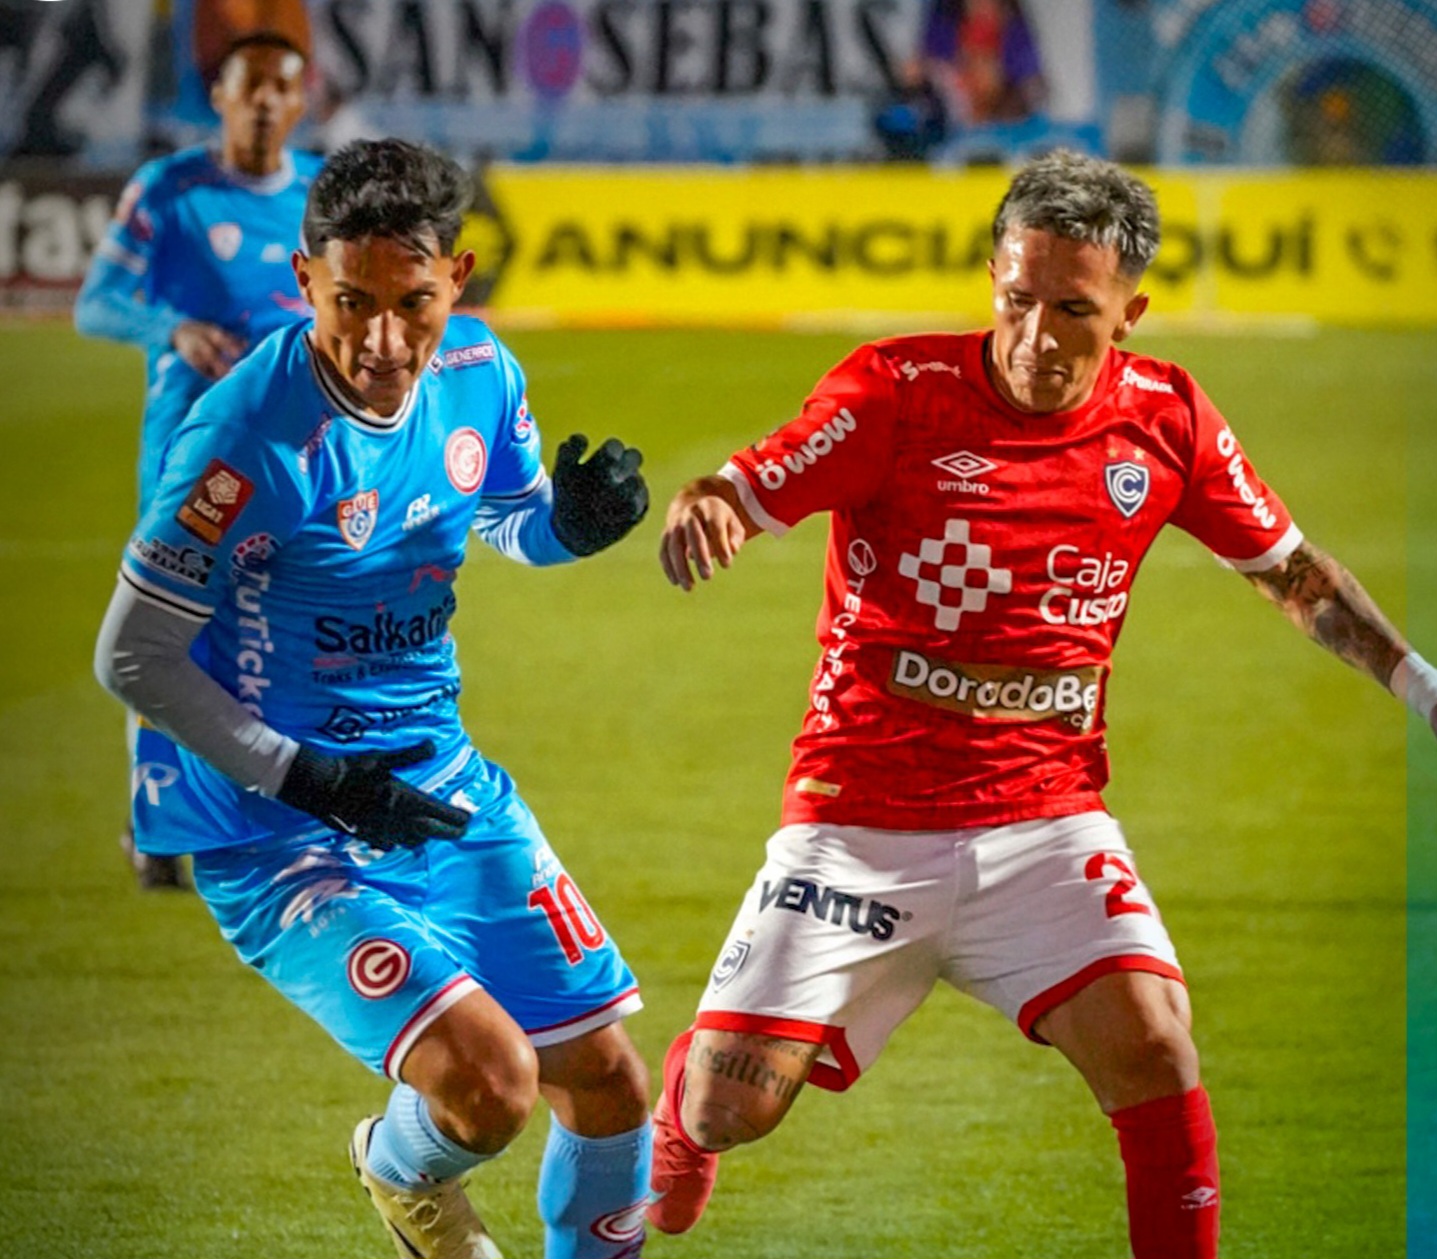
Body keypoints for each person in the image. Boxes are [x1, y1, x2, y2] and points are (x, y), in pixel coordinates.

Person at [649, 149, 1436, 1259]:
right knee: (731, 1105)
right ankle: (683, 1102)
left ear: (1129, 314)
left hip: (1045, 822)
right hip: (858, 821)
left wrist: (1420, 686)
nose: (1034, 336)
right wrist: (712, 500)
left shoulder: (1167, 419)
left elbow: (1291, 573)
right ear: (992, 277)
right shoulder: (893, 391)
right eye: (1018, 299)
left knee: (1156, 1046)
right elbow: (746, 478)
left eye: (1073, 311)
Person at [94, 138, 654, 1259]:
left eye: (414, 303)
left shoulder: (482, 372)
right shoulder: (243, 438)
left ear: (460, 277)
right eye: (351, 303)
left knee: (608, 1081)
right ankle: (400, 1170)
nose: (384, 342)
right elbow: (133, 655)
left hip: (439, 786)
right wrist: (308, 777)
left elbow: (510, 517)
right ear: (305, 279)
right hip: (279, 828)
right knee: (490, 1084)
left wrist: (570, 524)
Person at [75, 25, 317, 889]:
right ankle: (156, 829)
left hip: (298, 463)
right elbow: (96, 302)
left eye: (280, 88)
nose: (263, 103)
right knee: (167, 630)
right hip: (189, 455)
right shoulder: (169, 190)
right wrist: (169, 327)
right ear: (218, 97)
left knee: (286, 635)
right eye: (248, 87)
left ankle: (266, 814)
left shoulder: (320, 195)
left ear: (300, 101)